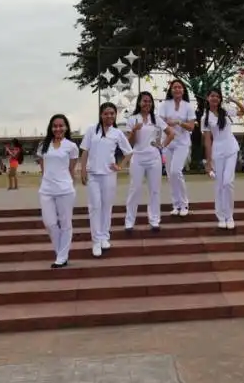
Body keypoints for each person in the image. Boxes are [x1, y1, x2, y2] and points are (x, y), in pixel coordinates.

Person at [80, 102, 133, 258]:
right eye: (106, 113)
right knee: (95, 207)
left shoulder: (117, 133)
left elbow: (129, 152)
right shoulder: (91, 130)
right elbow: (84, 151)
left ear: (115, 115)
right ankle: (96, 241)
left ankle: (104, 237)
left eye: (112, 113)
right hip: (93, 175)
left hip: (109, 175)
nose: (109, 116)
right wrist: (82, 169)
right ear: (101, 114)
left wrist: (120, 166)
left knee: (106, 207)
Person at [125, 92, 175, 232]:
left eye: (149, 101)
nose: (147, 104)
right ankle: (129, 221)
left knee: (154, 190)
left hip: (154, 158)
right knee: (135, 189)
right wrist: (134, 130)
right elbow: (129, 143)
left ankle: (154, 220)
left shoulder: (156, 119)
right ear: (139, 103)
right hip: (138, 158)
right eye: (144, 101)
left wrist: (163, 146)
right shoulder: (133, 119)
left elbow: (171, 133)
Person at [35, 114, 79, 269]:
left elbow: (71, 169)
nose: (58, 129)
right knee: (50, 223)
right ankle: (61, 253)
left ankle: (61, 257)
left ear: (66, 127)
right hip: (46, 190)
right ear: (50, 128)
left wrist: (70, 184)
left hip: (65, 190)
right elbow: (43, 167)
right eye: (55, 126)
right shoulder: (43, 145)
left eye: (61, 126)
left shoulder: (71, 146)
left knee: (66, 224)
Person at [201, 88, 244, 230]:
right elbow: (208, 140)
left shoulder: (226, 111)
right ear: (207, 98)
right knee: (220, 185)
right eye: (212, 96)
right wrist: (208, 161)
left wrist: (234, 100)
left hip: (231, 149)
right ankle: (221, 217)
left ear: (220, 99)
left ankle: (230, 216)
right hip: (217, 152)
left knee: (228, 183)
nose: (215, 98)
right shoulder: (205, 118)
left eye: (217, 96)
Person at [158, 79, 197, 217]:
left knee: (176, 171)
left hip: (182, 143)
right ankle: (176, 204)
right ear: (171, 90)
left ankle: (184, 203)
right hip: (168, 143)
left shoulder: (188, 106)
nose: (177, 89)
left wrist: (178, 122)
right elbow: (160, 122)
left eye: (180, 87)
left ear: (183, 90)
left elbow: (191, 126)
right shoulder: (164, 105)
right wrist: (168, 126)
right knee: (170, 174)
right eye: (174, 87)